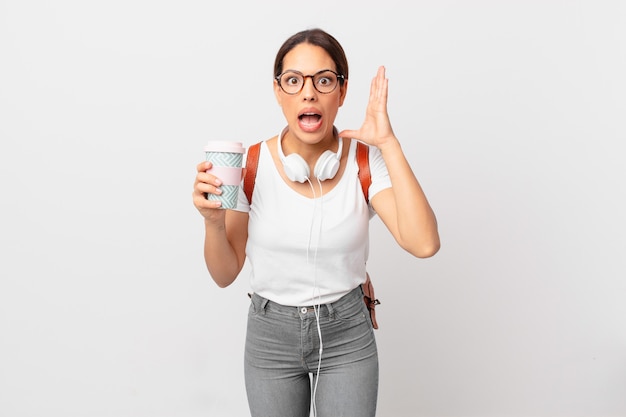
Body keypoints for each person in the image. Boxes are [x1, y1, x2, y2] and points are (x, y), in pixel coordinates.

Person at [192, 28, 440, 417]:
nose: (308, 93)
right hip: (270, 336)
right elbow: (224, 274)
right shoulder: (251, 166)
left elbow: (424, 243)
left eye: (323, 80)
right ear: (278, 92)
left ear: (341, 92)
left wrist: (388, 144)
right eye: (293, 81)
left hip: (346, 334)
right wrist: (212, 222)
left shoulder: (364, 161)